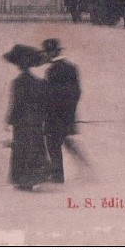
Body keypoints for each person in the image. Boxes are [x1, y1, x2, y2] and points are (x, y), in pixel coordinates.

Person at [3, 44, 51, 191]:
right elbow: (45, 104)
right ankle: (34, 177)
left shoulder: (18, 82)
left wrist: (9, 121)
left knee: (22, 149)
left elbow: (16, 104)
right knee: (35, 147)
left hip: (22, 122)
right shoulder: (39, 83)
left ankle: (24, 180)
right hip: (35, 121)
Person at [40, 39, 83, 184]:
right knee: (62, 141)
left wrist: (46, 112)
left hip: (54, 116)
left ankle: (57, 175)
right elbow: (77, 92)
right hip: (68, 114)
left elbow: (49, 95)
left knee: (52, 143)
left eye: (46, 52)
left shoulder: (51, 71)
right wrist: (71, 111)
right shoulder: (71, 67)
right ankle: (83, 167)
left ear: (51, 53)